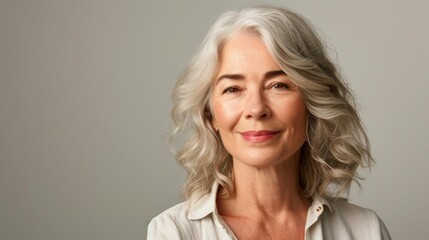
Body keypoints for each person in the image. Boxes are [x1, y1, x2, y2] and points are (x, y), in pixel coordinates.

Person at [147, 5, 391, 240]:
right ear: (210, 115)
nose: (256, 109)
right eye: (233, 89)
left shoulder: (365, 231)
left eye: (278, 85)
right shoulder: (173, 233)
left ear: (312, 103)